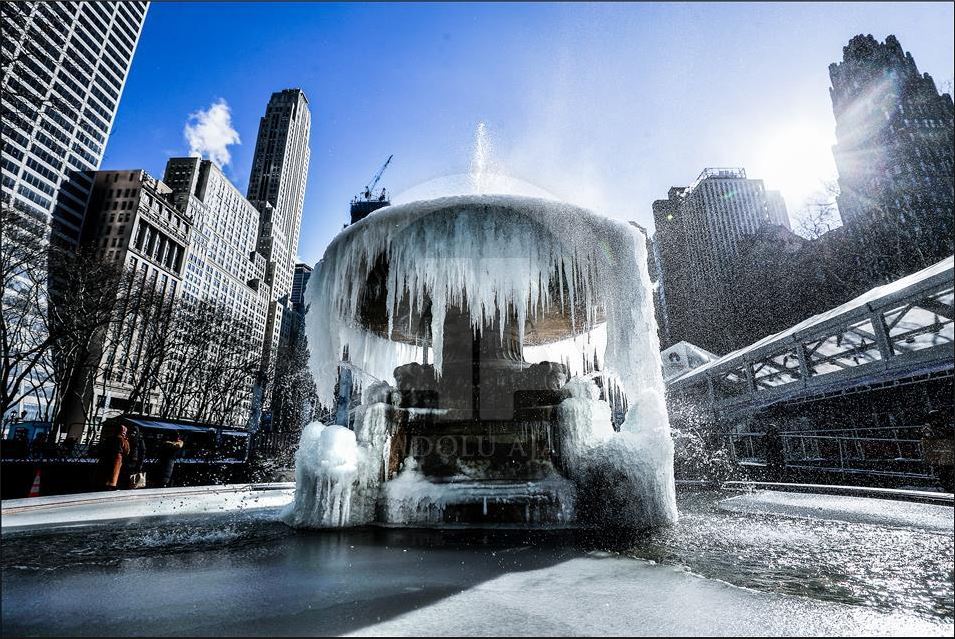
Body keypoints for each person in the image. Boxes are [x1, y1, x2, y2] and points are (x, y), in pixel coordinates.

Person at [921, 409, 954, 492]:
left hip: (944, 451)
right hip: (941, 451)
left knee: (945, 469)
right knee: (944, 469)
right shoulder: (930, 428)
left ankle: (946, 484)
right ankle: (946, 484)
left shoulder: (943, 427)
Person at [97, 425, 130, 490]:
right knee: (114, 472)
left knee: (106, 470)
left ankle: (103, 484)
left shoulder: (109, 438)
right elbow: (126, 450)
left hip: (106, 456)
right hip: (117, 458)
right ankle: (112, 485)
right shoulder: (122, 439)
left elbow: (102, 447)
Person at [122, 424, 147, 489]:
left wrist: (140, 463)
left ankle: (132, 485)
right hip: (127, 458)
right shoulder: (128, 438)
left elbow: (143, 452)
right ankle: (126, 485)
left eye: (135, 431)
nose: (133, 432)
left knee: (132, 473)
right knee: (126, 473)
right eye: (132, 431)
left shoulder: (140, 440)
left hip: (135, 460)